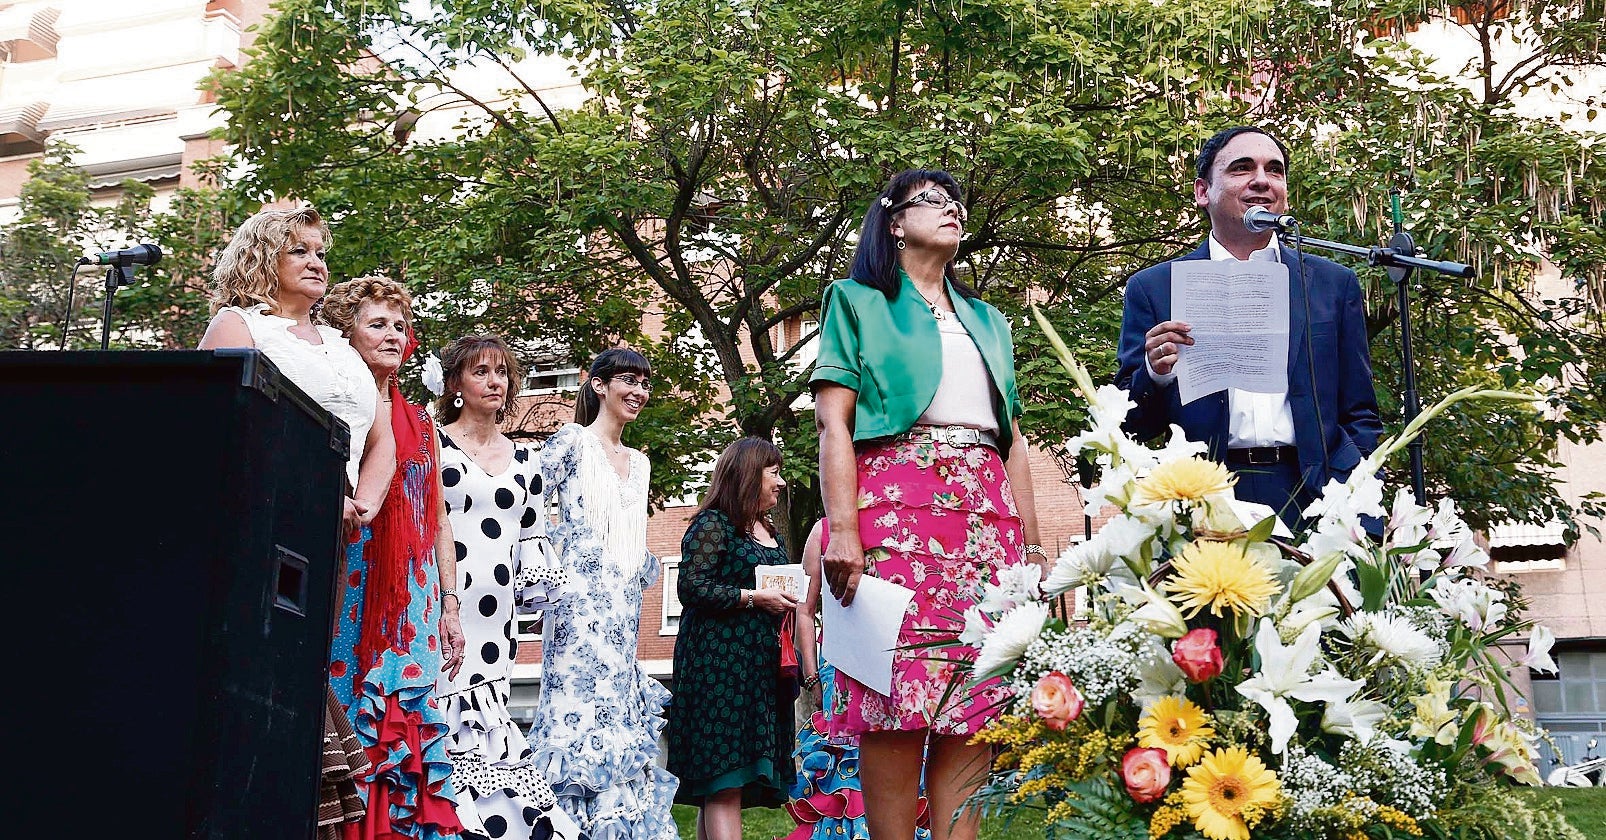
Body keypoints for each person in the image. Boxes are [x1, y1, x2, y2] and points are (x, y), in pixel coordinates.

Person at [811, 168, 1048, 840]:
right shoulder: (855, 300)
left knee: (976, 708)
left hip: (986, 519)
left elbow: (1015, 442)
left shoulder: (990, 321)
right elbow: (834, 425)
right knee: (895, 702)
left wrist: (1031, 551)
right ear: (893, 222)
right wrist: (844, 531)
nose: (952, 210)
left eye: (957, 203)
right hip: (895, 517)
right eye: (932, 201)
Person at [197, 206, 401, 839]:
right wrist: (310, 489)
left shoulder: (340, 345)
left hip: (331, 527)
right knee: (262, 667)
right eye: (301, 252)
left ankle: (302, 811)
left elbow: (383, 440)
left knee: (302, 664)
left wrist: (360, 503)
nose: (318, 263)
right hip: (266, 516)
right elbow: (226, 419)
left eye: (321, 251)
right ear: (264, 260)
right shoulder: (240, 325)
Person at [1115, 126, 1384, 524]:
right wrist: (1154, 374)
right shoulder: (1154, 288)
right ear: (1202, 192)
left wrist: (1349, 485)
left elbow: (1360, 411)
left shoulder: (1331, 283)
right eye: (1242, 168)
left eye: (1274, 171)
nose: (1261, 180)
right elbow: (1131, 425)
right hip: (1206, 498)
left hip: (1317, 493)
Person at [320, 276, 474, 838]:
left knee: (406, 717)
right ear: (346, 333)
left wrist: (451, 606)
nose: (392, 335)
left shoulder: (426, 425)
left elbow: (438, 520)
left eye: (399, 326)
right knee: (350, 713)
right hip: (351, 583)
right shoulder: (336, 405)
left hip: (413, 597)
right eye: (376, 323)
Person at [428, 334, 581, 840]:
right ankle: (449, 822)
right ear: (455, 384)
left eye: (502, 372)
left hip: (496, 618)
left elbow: (532, 540)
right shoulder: (433, 440)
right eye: (480, 372)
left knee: (487, 718)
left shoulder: (528, 458)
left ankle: (501, 826)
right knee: (440, 709)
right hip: (440, 600)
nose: (495, 381)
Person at [526, 347, 678, 840]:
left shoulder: (641, 462)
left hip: (623, 618)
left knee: (617, 717)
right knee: (574, 713)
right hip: (574, 612)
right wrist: (545, 566)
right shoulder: (570, 442)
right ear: (599, 385)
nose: (638, 391)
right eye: (628, 380)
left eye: (645, 383)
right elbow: (527, 500)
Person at [666, 437, 799, 840]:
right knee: (723, 778)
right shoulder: (713, 524)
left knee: (727, 785)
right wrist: (753, 597)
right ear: (747, 474)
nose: (780, 482)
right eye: (773, 472)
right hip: (717, 668)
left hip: (758, 670)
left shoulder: (766, 527)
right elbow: (690, 587)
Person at [785, 519, 931, 840]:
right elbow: (805, 610)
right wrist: (811, 676)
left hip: (897, 656)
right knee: (841, 764)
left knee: (900, 759)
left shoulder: (899, 517)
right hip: (839, 660)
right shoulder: (823, 531)